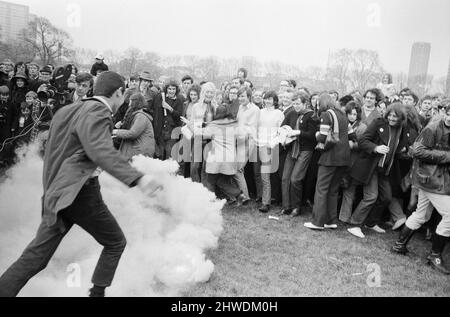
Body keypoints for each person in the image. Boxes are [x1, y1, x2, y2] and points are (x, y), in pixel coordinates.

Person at [0, 71, 163, 297]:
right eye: (121, 97)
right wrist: (139, 178)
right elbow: (100, 150)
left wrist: (50, 192)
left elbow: (52, 154)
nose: (121, 103)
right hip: (80, 193)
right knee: (116, 243)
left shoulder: (67, 110)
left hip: (58, 192)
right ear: (117, 93)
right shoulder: (99, 112)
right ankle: (96, 294)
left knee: (35, 258)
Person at [392, 100, 450, 275]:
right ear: (446, 113)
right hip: (430, 180)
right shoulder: (433, 128)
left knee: (421, 214)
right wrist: (446, 156)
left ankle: (399, 245)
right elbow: (417, 151)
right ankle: (435, 255)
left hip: (437, 179)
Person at [347, 103, 408, 238]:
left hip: (386, 169)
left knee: (386, 197)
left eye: (395, 117)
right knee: (371, 196)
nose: (392, 118)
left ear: (401, 118)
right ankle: (354, 225)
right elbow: (363, 141)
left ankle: (370, 223)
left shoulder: (401, 128)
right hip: (371, 166)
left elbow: (399, 145)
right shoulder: (378, 123)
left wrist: (404, 150)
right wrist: (375, 148)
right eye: (390, 115)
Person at [304, 93, 355, 230]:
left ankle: (318, 222)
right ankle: (331, 220)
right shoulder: (343, 114)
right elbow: (352, 135)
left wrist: (316, 134)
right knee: (333, 190)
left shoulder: (326, 115)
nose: (317, 106)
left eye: (318, 104)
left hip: (330, 157)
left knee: (321, 189)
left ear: (322, 104)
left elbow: (322, 137)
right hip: (344, 158)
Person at [280, 91, 318, 216]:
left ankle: (296, 207)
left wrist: (298, 133)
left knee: (295, 179)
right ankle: (286, 206)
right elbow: (282, 127)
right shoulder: (291, 113)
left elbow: (313, 136)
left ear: (305, 103)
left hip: (305, 150)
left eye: (298, 104)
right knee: (285, 178)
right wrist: (285, 134)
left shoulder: (311, 116)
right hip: (292, 148)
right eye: (294, 103)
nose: (295, 106)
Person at [256, 91, 284, 213]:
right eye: (266, 99)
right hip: (259, 144)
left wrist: (272, 143)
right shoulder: (260, 112)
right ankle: (264, 199)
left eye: (270, 99)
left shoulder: (278, 113)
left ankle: (266, 203)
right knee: (261, 175)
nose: (267, 101)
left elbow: (280, 131)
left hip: (270, 145)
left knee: (266, 175)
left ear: (275, 101)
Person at [113, 93, 155, 160]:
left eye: (130, 102)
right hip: (137, 149)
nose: (129, 105)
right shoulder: (136, 115)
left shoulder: (141, 117)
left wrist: (116, 132)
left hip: (141, 151)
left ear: (134, 103)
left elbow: (133, 133)